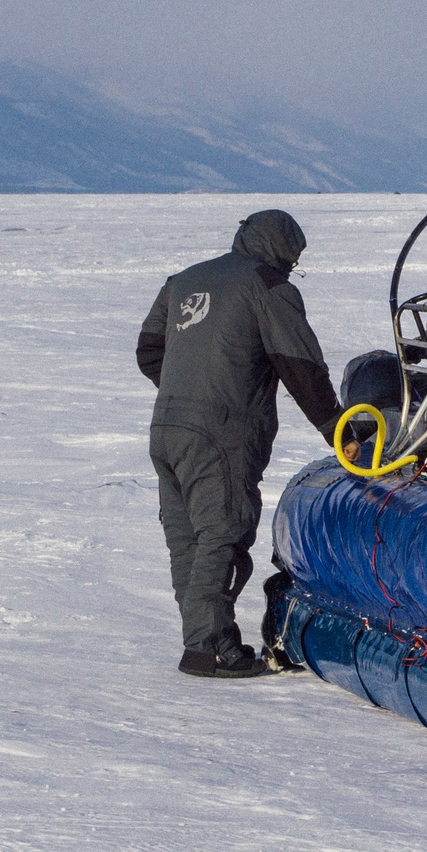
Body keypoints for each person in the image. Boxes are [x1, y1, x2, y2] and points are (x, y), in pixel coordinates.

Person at [136, 210, 345, 677]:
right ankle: (212, 649)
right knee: (223, 535)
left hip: (167, 429)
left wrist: (188, 392)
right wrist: (338, 431)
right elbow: (301, 367)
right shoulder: (268, 287)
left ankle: (201, 643)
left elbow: (148, 351)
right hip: (221, 435)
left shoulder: (182, 280)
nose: (292, 269)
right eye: (294, 259)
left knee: (188, 541)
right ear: (281, 252)